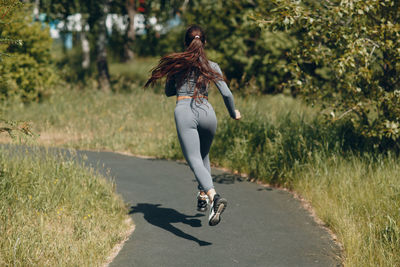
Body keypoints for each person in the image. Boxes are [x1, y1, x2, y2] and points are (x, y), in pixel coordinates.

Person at [145, 25, 241, 226]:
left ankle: (214, 197)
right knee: (204, 156)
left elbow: (169, 92)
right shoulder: (212, 66)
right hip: (207, 112)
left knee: (194, 160)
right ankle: (202, 194)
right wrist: (234, 113)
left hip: (185, 110)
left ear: (185, 43)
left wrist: (177, 80)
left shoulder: (177, 65)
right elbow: (227, 94)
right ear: (204, 43)